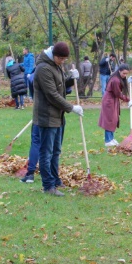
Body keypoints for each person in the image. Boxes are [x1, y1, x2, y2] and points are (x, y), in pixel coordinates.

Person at [33, 42, 82, 196]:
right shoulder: (43, 68)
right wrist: (71, 107)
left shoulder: (55, 65)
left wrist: (70, 79)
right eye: (60, 58)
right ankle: (48, 186)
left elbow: (59, 86)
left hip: (58, 115)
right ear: (53, 54)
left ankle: (55, 180)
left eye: (64, 59)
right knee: (46, 152)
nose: (62, 61)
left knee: (56, 151)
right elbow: (52, 94)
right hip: (47, 116)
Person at [99, 64, 130, 147]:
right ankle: (108, 140)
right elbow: (117, 93)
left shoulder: (117, 78)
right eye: (124, 73)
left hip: (112, 100)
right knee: (109, 120)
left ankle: (111, 138)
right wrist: (127, 99)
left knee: (114, 119)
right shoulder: (116, 80)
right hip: (109, 101)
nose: (125, 75)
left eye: (126, 74)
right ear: (119, 71)